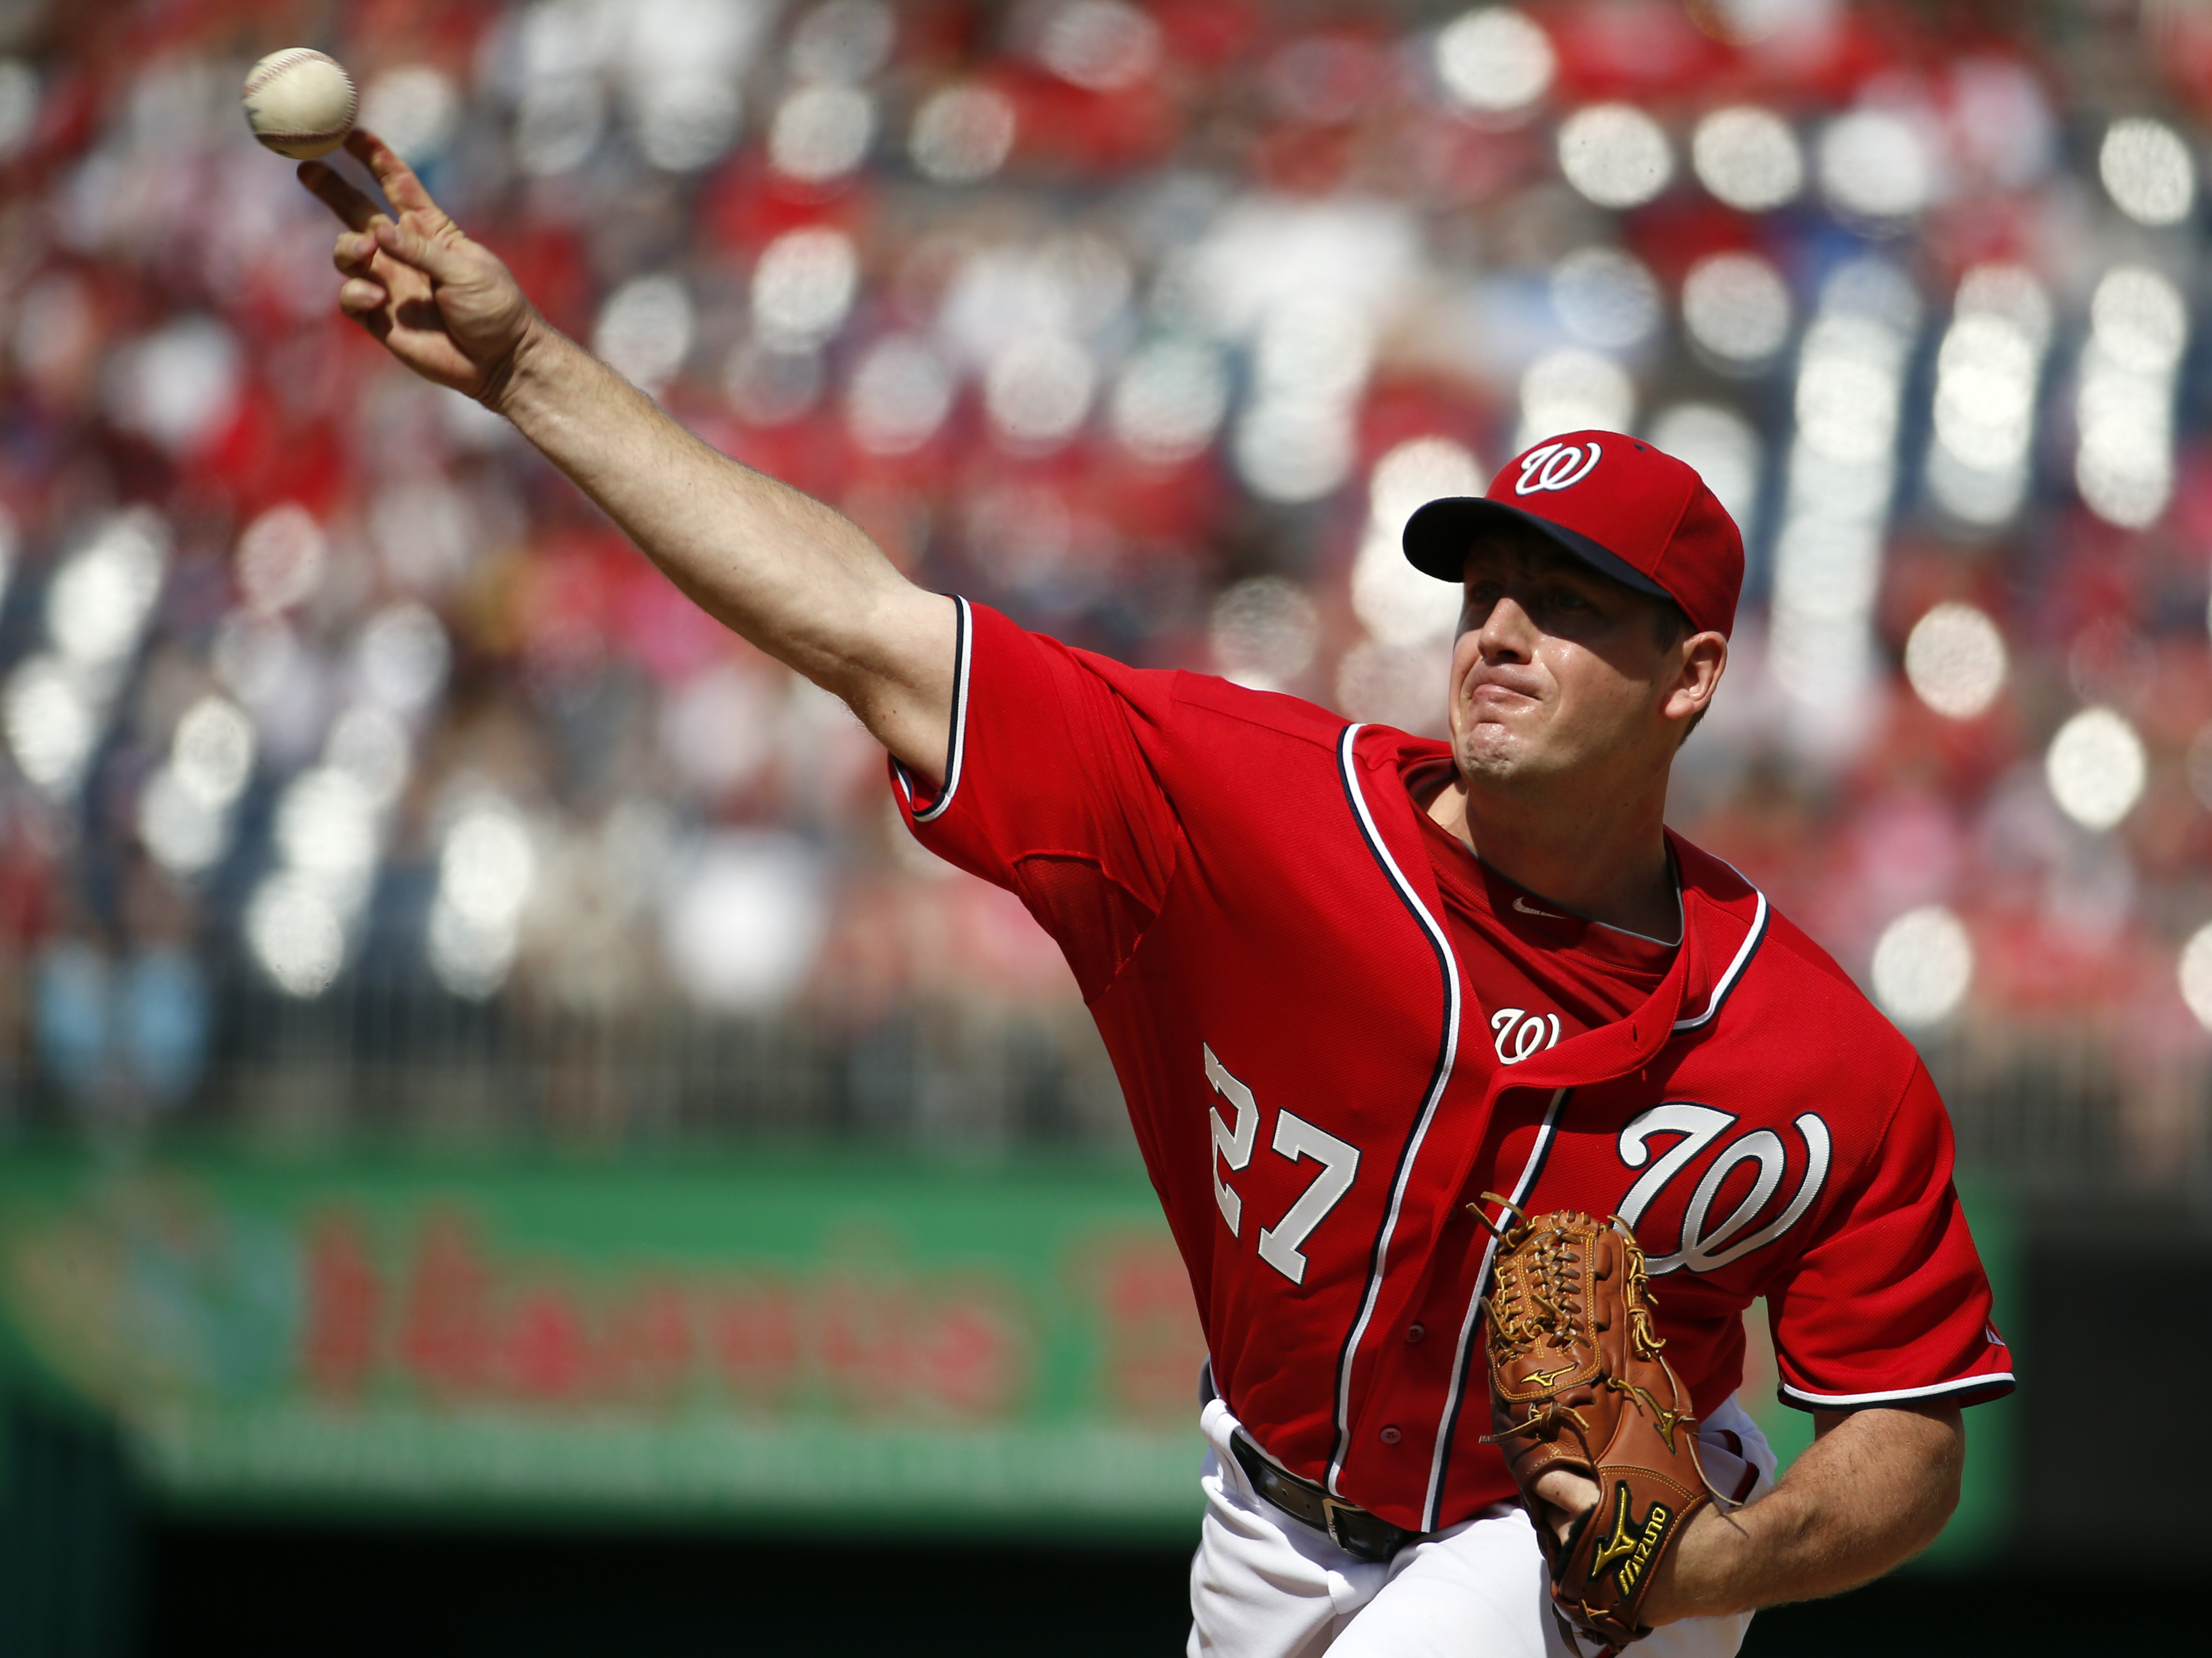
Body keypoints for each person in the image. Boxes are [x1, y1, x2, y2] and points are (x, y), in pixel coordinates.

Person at [301, 132, 2012, 1658]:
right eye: (1483, 588)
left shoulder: (1807, 1053)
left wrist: (1717, 1566)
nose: (1497, 631)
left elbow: (1910, 1431)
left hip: (1585, 1556)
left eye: (1566, 605)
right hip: (1266, 1511)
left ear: (1688, 677)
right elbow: (869, 628)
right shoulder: (1248, 809)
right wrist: (527, 369)